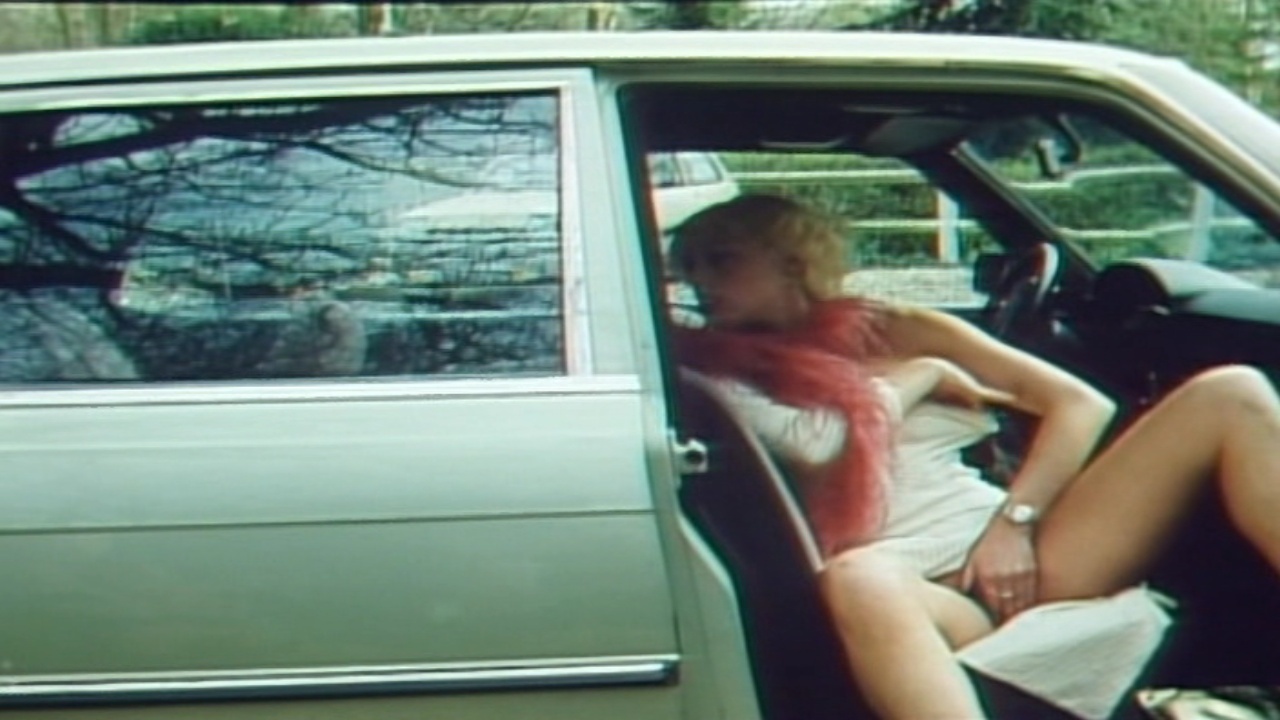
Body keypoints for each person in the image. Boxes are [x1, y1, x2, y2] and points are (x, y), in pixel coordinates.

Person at [668, 194, 1280, 720]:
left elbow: (1079, 405)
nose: (700, 282)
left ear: (792, 263)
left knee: (1234, 392)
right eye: (690, 267)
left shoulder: (892, 326)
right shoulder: (708, 366)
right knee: (859, 576)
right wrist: (924, 376)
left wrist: (1014, 524)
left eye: (721, 261)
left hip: (1015, 543)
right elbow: (819, 443)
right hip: (921, 584)